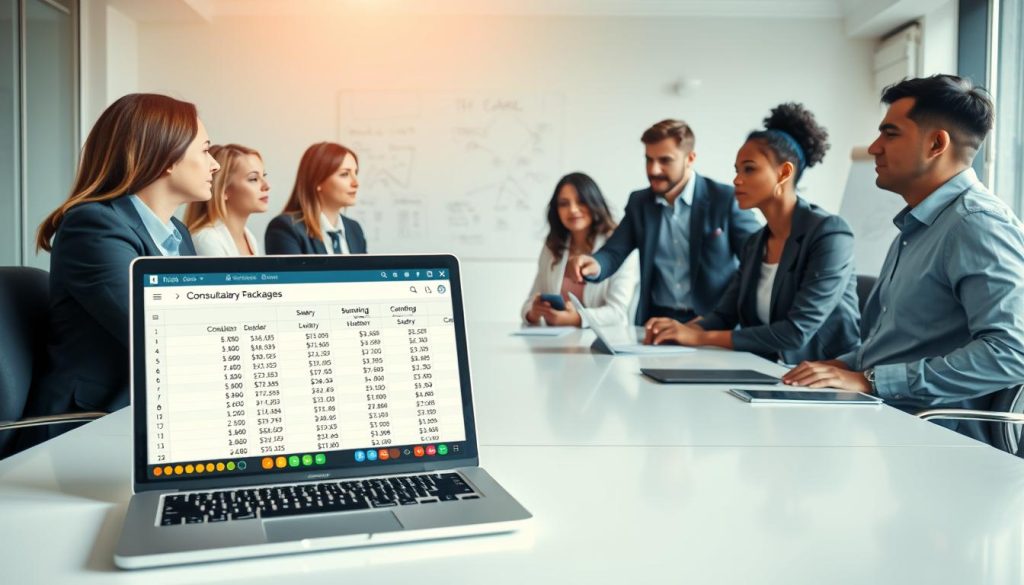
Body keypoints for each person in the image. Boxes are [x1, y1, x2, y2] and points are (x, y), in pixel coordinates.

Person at [782, 74, 1024, 445]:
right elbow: (903, 342)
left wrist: (869, 380)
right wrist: (844, 365)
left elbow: (1012, 352)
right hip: (889, 422)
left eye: (890, 134)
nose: (874, 148)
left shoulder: (976, 225)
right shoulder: (920, 225)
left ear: (936, 144)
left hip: (938, 441)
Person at [24, 93, 219, 447]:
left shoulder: (179, 234)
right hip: (86, 426)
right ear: (167, 157)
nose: (214, 165)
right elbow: (160, 334)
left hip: (148, 416)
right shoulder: (94, 226)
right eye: (205, 150)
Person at [645, 103, 860, 364]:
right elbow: (724, 315)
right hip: (765, 371)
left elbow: (795, 333)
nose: (737, 180)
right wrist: (681, 330)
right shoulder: (756, 243)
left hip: (822, 378)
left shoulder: (830, 235)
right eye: (737, 170)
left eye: (749, 169)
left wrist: (700, 338)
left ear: (784, 172)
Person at [568, 119, 760, 325]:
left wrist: (721, 315)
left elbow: (756, 259)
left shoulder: (725, 199)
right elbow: (614, 252)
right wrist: (593, 264)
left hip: (713, 324)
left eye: (665, 160)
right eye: (649, 160)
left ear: (690, 158)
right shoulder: (639, 203)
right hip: (657, 323)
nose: (654, 170)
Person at [521, 172, 638, 327]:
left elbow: (618, 313)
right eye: (564, 204)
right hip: (556, 343)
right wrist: (533, 313)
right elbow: (529, 302)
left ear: (594, 202)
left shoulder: (618, 246)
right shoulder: (552, 246)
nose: (573, 210)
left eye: (581, 202)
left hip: (603, 343)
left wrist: (578, 318)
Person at [264, 142, 366, 255]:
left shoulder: (354, 229)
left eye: (355, 173)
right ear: (318, 180)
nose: (356, 183)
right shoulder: (286, 229)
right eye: (344, 174)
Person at [184, 144, 268, 256]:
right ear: (223, 190)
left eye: (264, 175)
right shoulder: (207, 240)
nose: (266, 186)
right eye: (253, 179)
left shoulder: (249, 236)